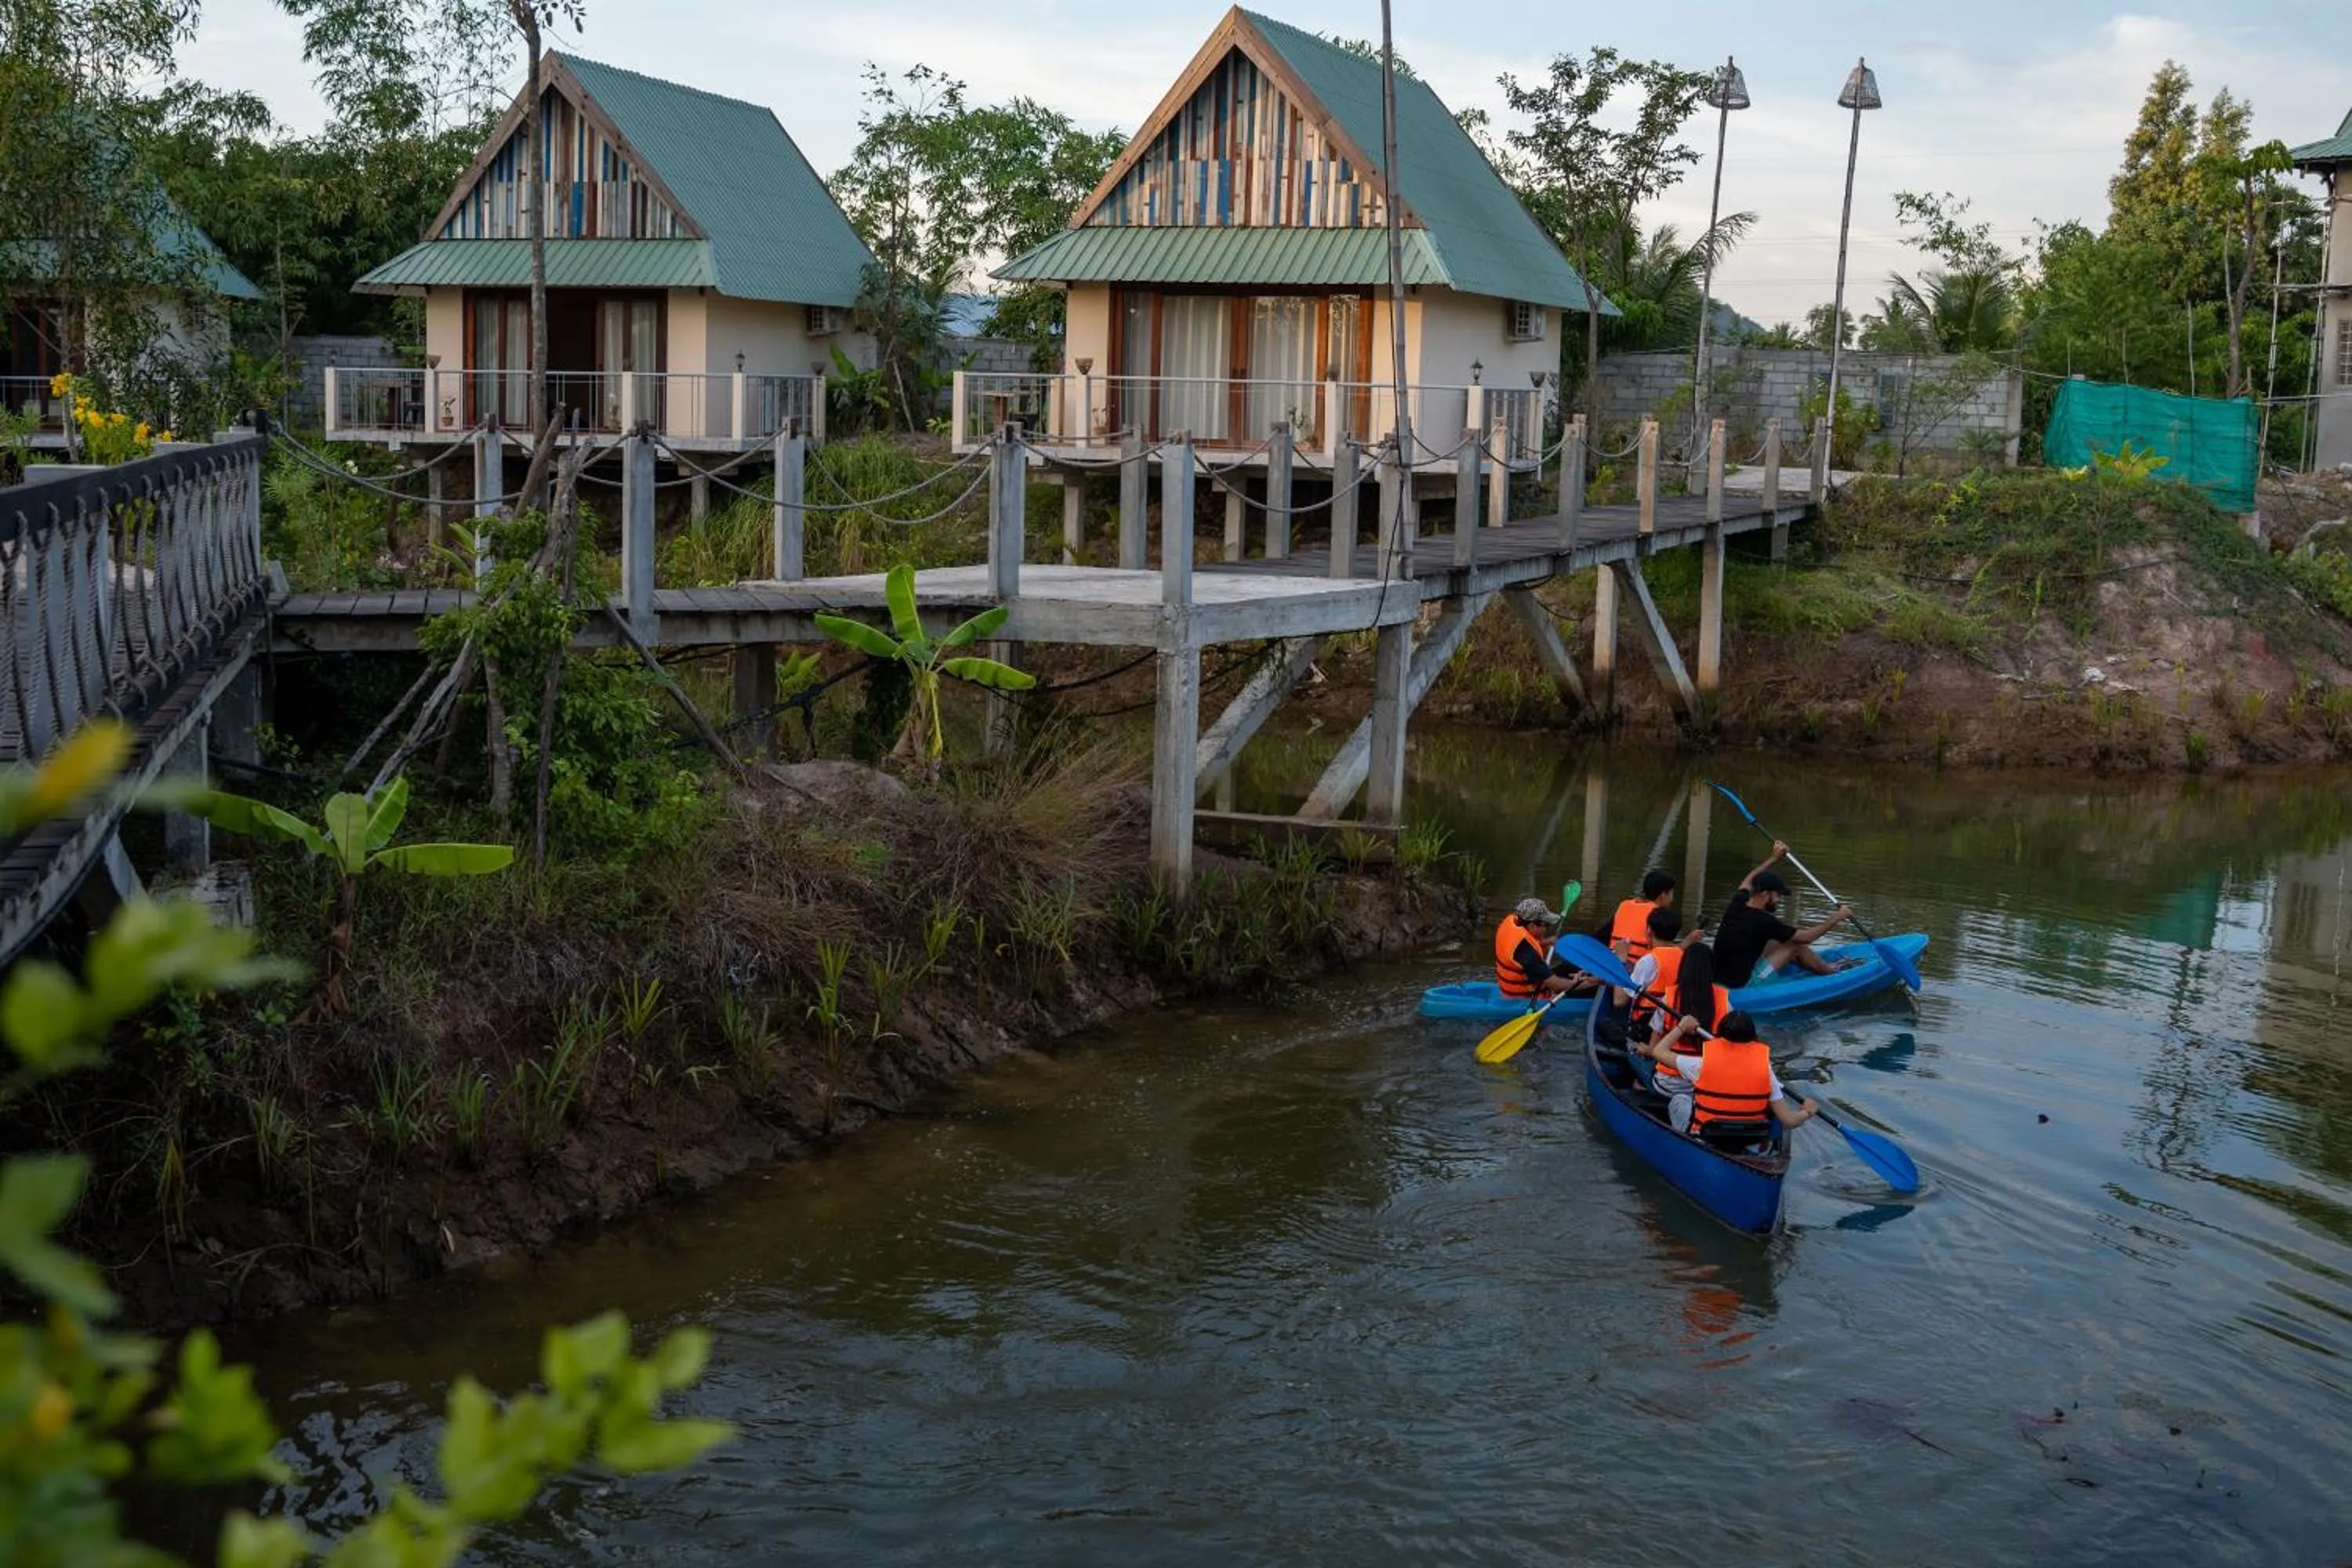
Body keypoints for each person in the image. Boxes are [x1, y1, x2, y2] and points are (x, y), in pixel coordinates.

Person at [1645, 1008, 1818, 1139]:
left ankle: (1686, 1143)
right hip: (1748, 1139)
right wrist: (1807, 1112)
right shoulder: (1765, 1069)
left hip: (1710, 1135)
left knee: (1681, 1099)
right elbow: (1788, 1121)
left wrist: (1681, 1027)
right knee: (1771, 1112)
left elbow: (1658, 1051)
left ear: (1720, 1035)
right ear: (1753, 1038)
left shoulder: (1701, 1065)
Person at [1712, 841, 1853, 984]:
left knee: (1776, 941)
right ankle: (1831, 971)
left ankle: (1809, 962)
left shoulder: (1737, 904)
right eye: (1777, 895)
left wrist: (1774, 858)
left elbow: (1748, 881)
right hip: (1746, 983)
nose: (1778, 899)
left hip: (1719, 976)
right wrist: (1836, 917)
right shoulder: (1763, 921)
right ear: (1765, 894)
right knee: (1796, 945)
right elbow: (1806, 938)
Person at [1494, 897, 1588, 1001]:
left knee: (1568, 967)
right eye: (1546, 925)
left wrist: (1545, 942)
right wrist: (1588, 983)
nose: (1547, 929)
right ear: (1532, 925)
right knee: (1587, 988)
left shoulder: (1513, 925)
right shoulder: (1528, 954)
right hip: (1527, 1000)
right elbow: (1555, 985)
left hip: (1509, 991)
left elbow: (1519, 951)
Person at [1609, 869, 1678, 964]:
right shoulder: (1660, 915)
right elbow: (1664, 952)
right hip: (1638, 967)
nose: (1672, 899)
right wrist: (1688, 942)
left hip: (1612, 962)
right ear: (1663, 895)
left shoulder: (1624, 906)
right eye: (1671, 893)